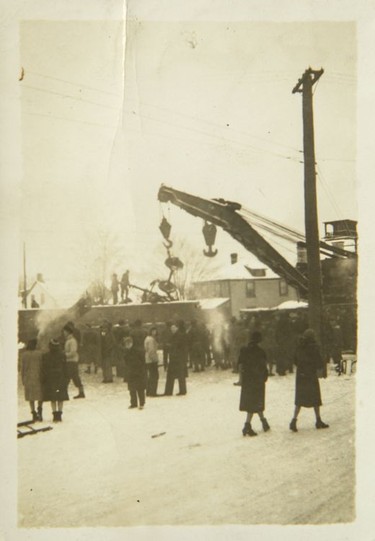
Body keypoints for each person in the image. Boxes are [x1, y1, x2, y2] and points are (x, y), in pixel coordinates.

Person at [289, 328, 329, 432]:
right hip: (311, 374)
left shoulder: (299, 346)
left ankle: (294, 420)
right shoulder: (313, 347)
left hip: (301, 375)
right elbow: (318, 361)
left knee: (300, 399)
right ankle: (318, 420)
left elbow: (295, 360)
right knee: (315, 398)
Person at [238, 331, 270, 437]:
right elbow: (264, 366)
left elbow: (240, 365)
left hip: (247, 380)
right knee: (256, 402)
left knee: (252, 402)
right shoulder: (260, 351)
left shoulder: (244, 350)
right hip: (257, 379)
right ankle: (247, 425)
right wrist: (265, 376)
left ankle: (263, 421)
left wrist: (241, 379)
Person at [41, 339, 69, 422]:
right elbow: (65, 367)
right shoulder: (62, 355)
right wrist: (66, 378)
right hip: (60, 377)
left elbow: (44, 368)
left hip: (50, 378)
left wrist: (44, 378)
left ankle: (54, 414)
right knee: (60, 397)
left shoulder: (46, 355)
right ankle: (59, 414)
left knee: (53, 397)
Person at [21, 338, 44, 421]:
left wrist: (23, 379)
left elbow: (22, 368)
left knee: (31, 397)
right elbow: (42, 366)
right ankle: (40, 411)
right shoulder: (39, 354)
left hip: (28, 378)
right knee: (40, 396)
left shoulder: (24, 355)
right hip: (38, 377)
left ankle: (33, 413)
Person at [164, 321, 187, 396]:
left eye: (174, 327)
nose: (172, 329)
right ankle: (176, 390)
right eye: (171, 328)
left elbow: (177, 346)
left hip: (177, 358)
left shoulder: (178, 336)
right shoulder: (176, 335)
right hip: (176, 358)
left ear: (177, 328)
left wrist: (169, 346)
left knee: (176, 375)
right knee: (179, 375)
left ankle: (170, 391)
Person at [63, 322, 85, 398]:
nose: (63, 333)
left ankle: (65, 393)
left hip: (72, 361)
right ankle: (81, 392)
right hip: (70, 361)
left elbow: (73, 352)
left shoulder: (72, 341)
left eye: (64, 331)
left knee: (69, 377)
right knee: (72, 377)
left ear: (68, 332)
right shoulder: (69, 340)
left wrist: (64, 355)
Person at [123, 336, 146, 409]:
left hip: (137, 372)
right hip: (131, 372)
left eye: (128, 343)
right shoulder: (127, 352)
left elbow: (142, 361)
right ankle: (134, 403)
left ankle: (141, 403)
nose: (127, 345)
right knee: (132, 389)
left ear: (131, 343)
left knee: (139, 389)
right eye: (126, 344)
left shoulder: (136, 351)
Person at [144, 327, 159, 396]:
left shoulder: (147, 338)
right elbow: (151, 350)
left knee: (150, 376)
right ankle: (153, 391)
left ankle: (149, 391)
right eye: (154, 331)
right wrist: (154, 359)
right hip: (152, 360)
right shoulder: (151, 339)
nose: (155, 333)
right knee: (154, 376)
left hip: (148, 359)